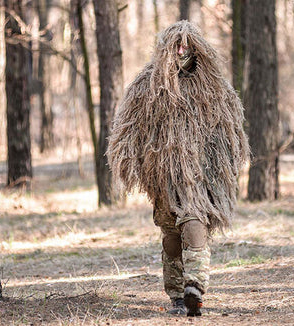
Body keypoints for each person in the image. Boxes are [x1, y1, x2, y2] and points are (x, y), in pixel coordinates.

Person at [107, 20, 249, 317]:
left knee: (195, 225)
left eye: (188, 45)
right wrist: (133, 165)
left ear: (199, 48)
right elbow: (127, 130)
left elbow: (232, 129)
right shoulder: (147, 85)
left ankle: (195, 286)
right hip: (163, 178)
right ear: (167, 49)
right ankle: (176, 296)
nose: (183, 50)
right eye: (177, 45)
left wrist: (223, 169)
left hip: (200, 178)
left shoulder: (214, 87)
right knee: (172, 238)